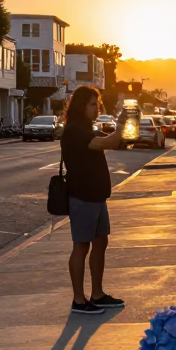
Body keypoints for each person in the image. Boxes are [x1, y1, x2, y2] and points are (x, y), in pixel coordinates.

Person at [60, 85, 126, 316]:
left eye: (97, 103)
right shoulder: (75, 130)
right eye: (92, 103)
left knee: (100, 242)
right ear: (80, 106)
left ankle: (97, 294)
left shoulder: (87, 127)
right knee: (82, 246)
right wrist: (120, 124)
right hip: (83, 196)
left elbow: (113, 142)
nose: (96, 107)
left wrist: (119, 129)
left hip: (96, 196)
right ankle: (79, 300)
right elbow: (106, 143)